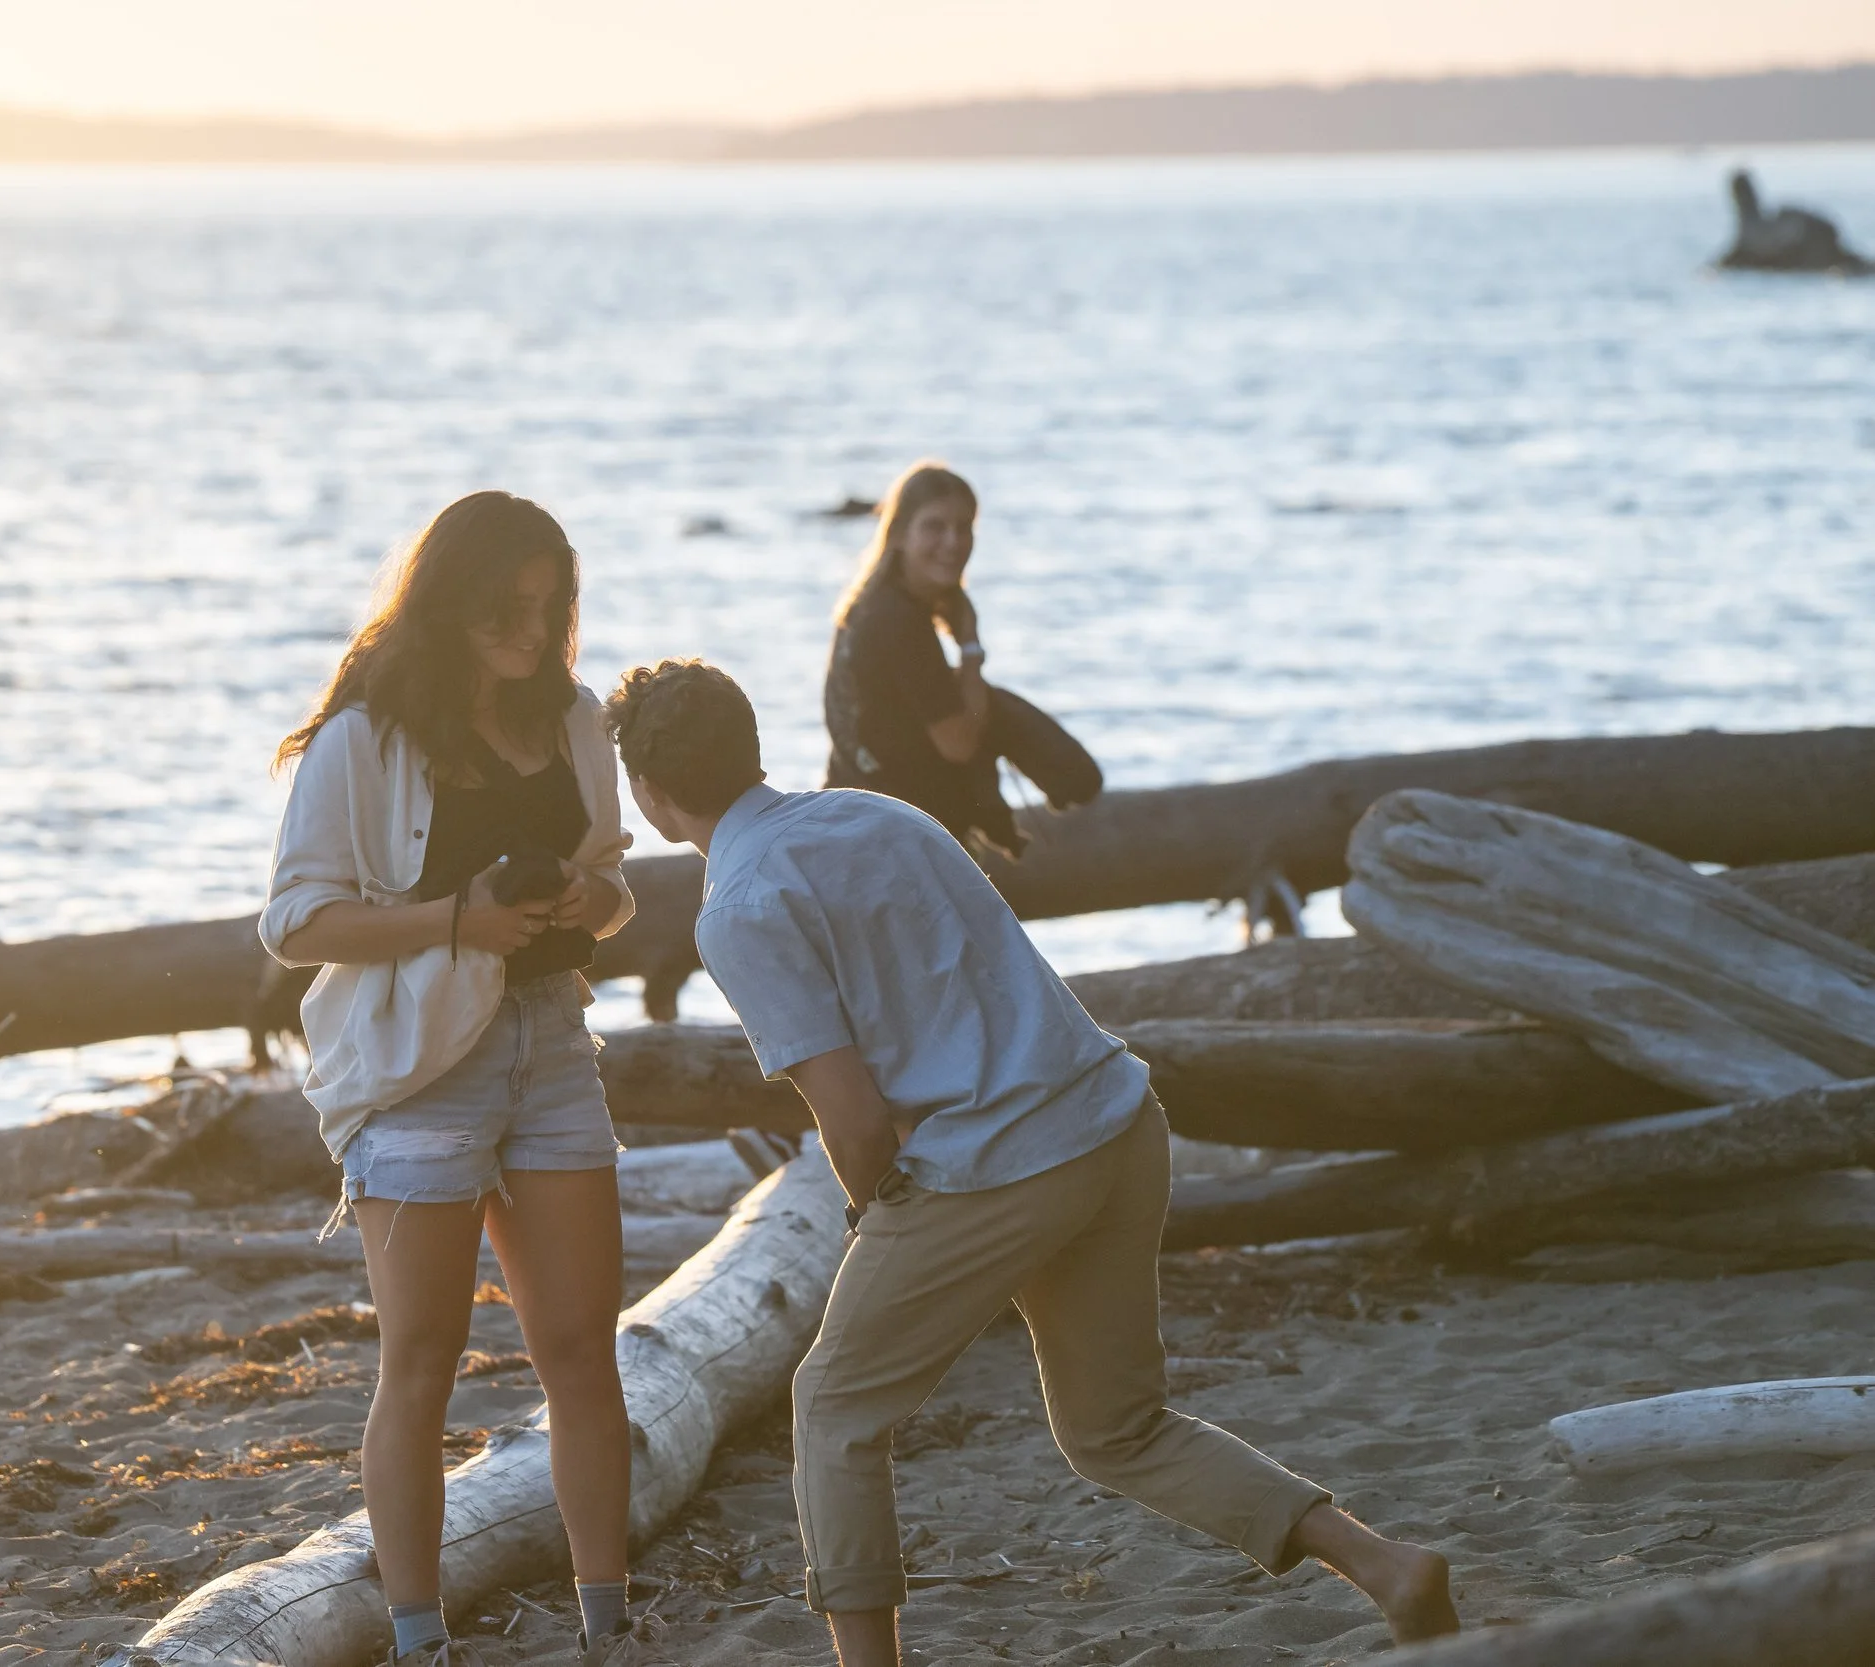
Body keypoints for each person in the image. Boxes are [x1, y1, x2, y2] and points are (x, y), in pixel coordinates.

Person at [605, 659, 1461, 1667]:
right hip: (1114, 1119)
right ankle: (1386, 1565)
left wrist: (871, 1215)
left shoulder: (739, 905)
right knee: (1116, 1428)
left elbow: (850, 1114)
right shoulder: (875, 814)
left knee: (833, 1405)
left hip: (1001, 1165)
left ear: (651, 796)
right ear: (749, 745)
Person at [260, 491, 648, 1666]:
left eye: (549, 609)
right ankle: (421, 1637)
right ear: (448, 599)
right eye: (507, 609)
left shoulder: (576, 718)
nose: (533, 634)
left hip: (551, 1046)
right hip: (419, 1066)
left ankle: (610, 1620)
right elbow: (293, 922)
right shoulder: (363, 738)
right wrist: (455, 922)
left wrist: (594, 902)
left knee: (583, 1348)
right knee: (420, 1359)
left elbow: (616, 886)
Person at [823, 461, 1101, 858]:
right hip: (898, 832)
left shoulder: (868, 605)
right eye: (935, 527)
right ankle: (1067, 794)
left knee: (982, 699)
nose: (953, 542)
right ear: (899, 532)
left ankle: (1063, 794)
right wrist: (970, 647)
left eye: (964, 527)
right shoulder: (899, 621)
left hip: (861, 811)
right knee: (989, 703)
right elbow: (959, 744)